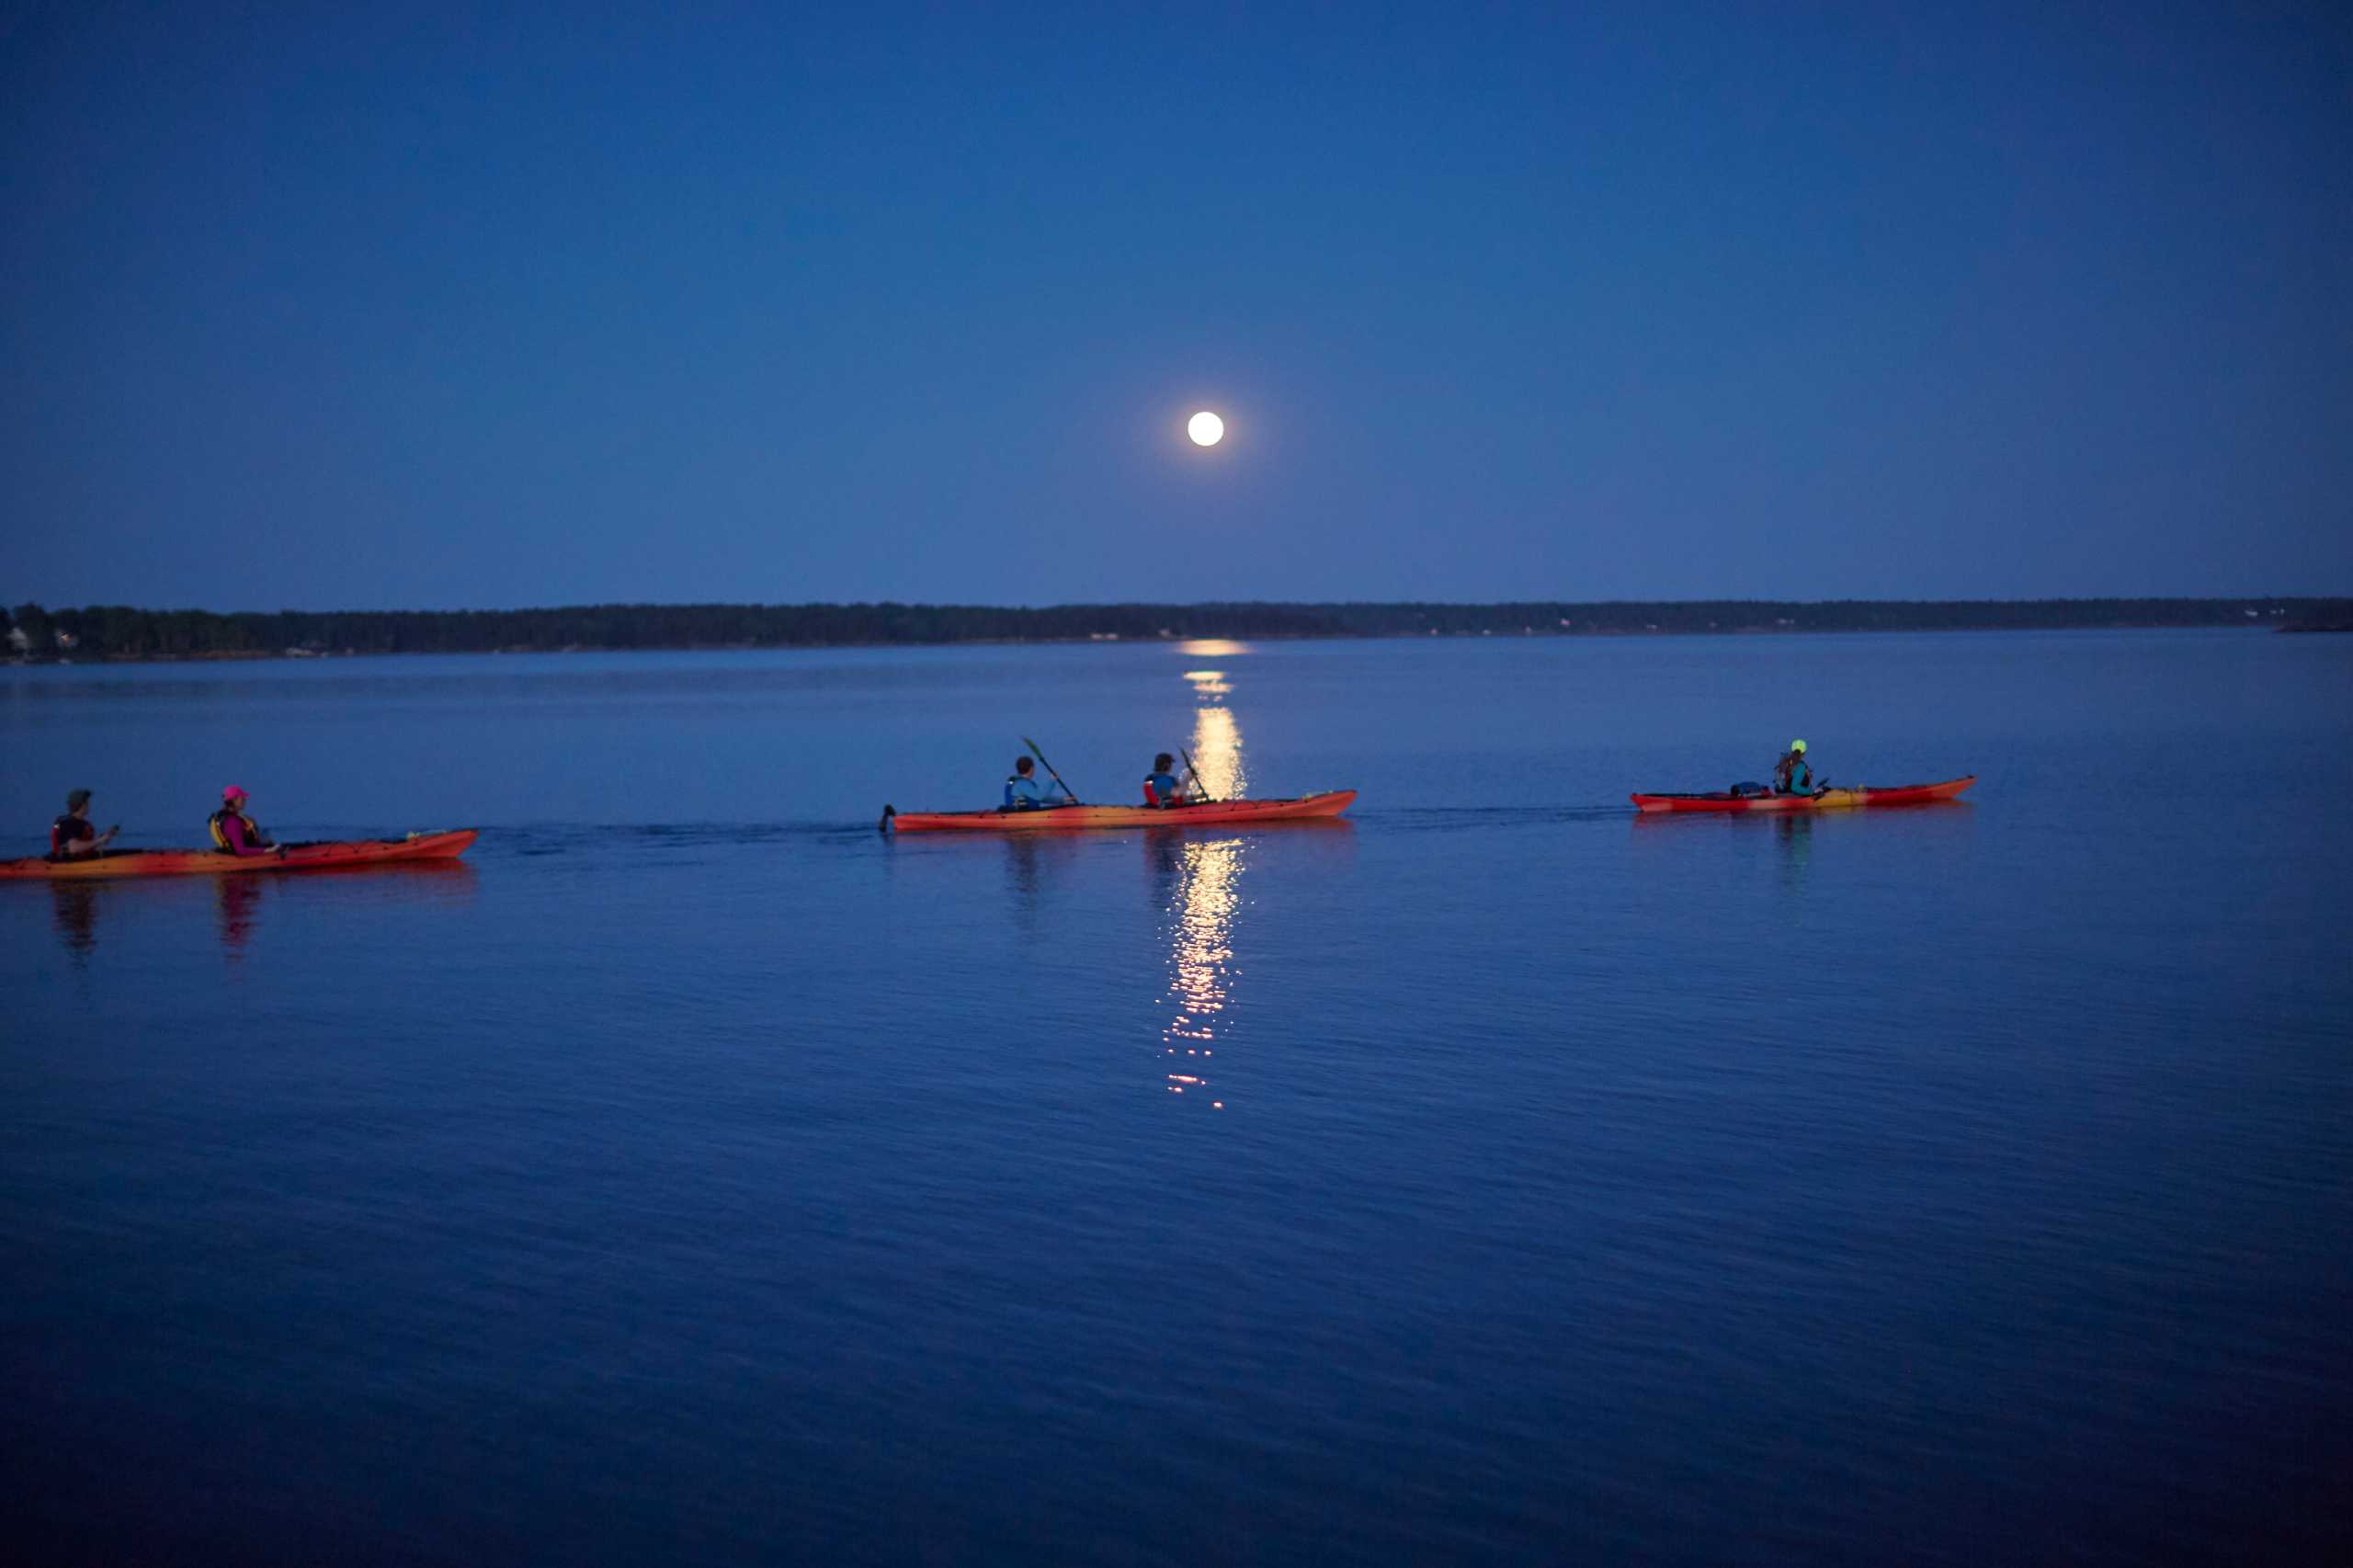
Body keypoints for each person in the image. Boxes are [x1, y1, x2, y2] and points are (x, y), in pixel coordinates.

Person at [209, 785, 280, 856]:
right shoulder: (232, 821)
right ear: (234, 800)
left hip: (237, 851)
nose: (245, 800)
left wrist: (264, 843)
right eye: (242, 798)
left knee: (270, 842)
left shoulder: (231, 817)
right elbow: (241, 851)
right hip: (240, 858)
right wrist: (267, 850)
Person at [49, 788, 119, 859]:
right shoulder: (66, 823)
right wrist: (99, 840)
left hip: (84, 861)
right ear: (81, 805)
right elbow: (73, 848)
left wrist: (103, 838)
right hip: (68, 863)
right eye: (86, 802)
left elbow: (86, 846)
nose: (88, 804)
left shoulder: (85, 824)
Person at [1003, 756, 1074, 812]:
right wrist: (1052, 781)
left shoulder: (1016, 781)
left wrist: (1062, 800)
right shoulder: (1023, 784)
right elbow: (1040, 797)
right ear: (1031, 768)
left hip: (1020, 813)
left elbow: (1039, 798)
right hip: (1021, 815)